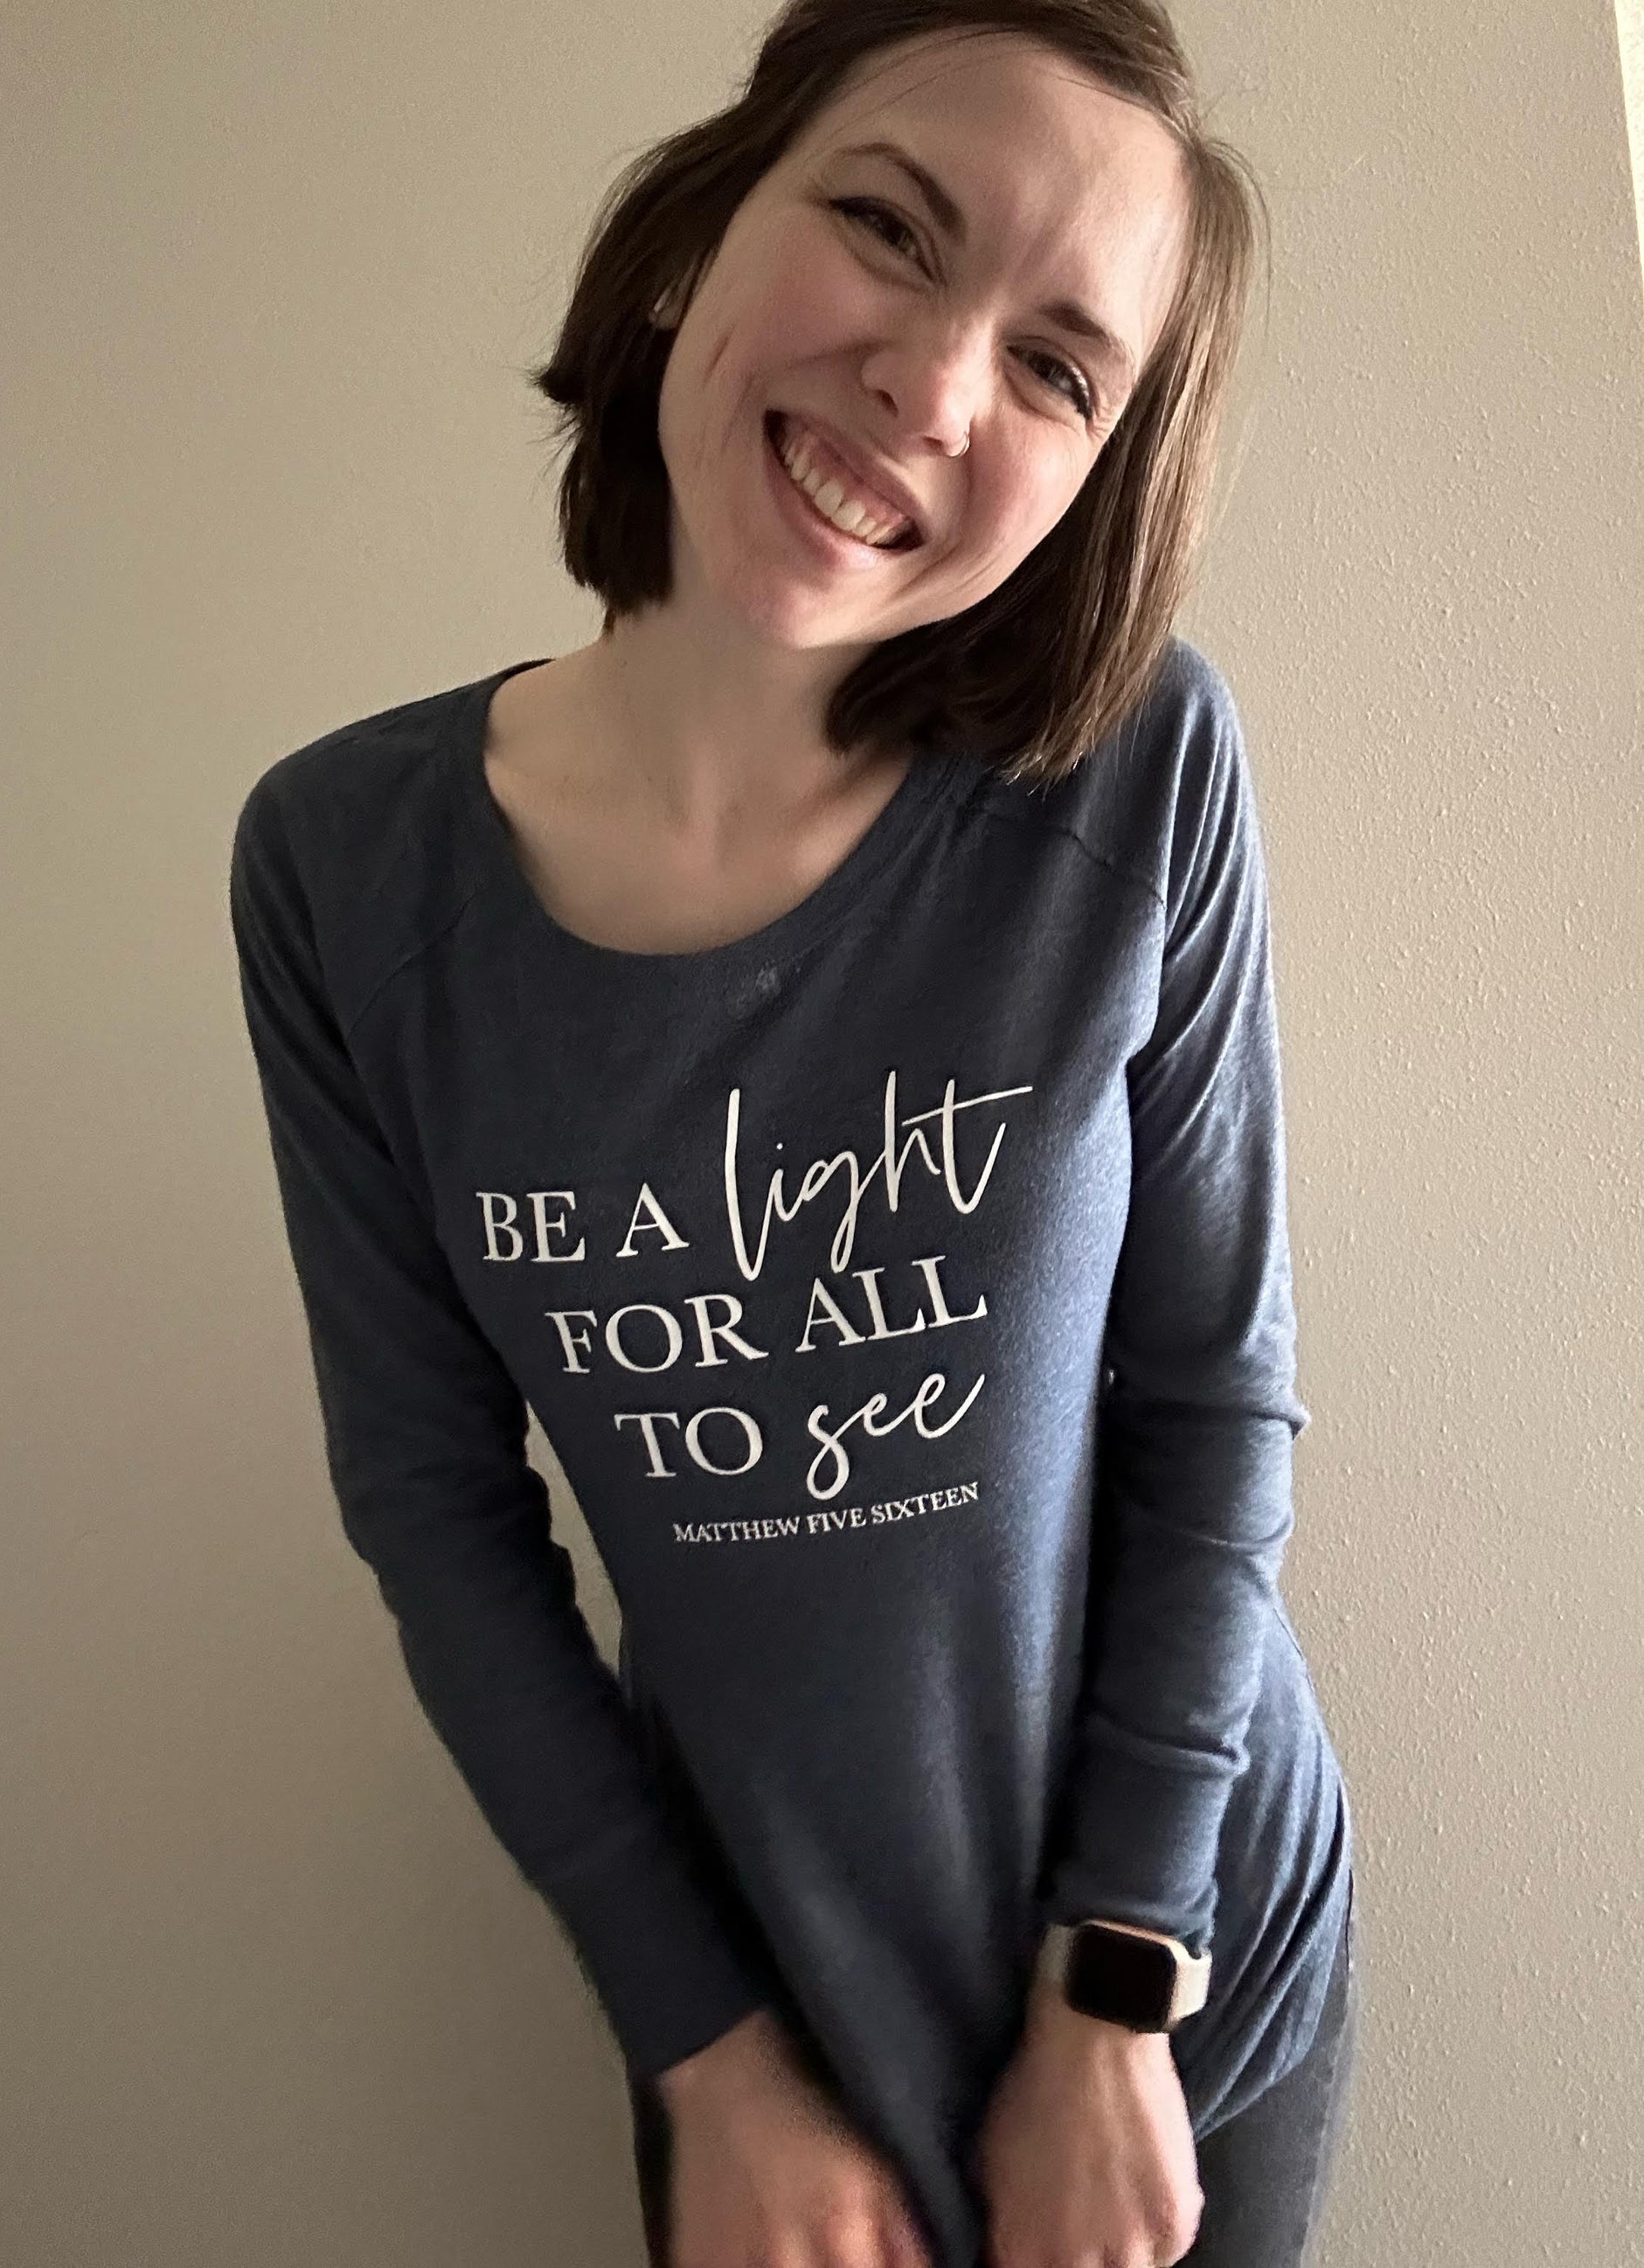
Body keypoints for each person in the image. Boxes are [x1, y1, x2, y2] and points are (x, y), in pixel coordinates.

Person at [227, 2, 1360, 2263]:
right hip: (754, 2010)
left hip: (1176, 1965)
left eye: (1057, 365)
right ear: (696, 229)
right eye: (888, 227)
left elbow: (1213, 1394)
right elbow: (438, 1510)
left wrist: (1115, 1994)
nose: (932, 387)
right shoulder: (345, 869)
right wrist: (711, 2065)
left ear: (1101, 471)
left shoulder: (1134, 772)